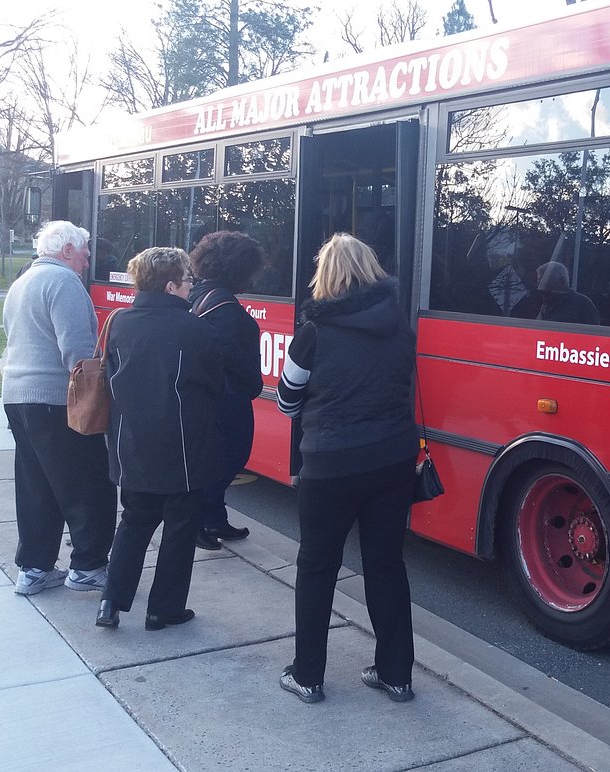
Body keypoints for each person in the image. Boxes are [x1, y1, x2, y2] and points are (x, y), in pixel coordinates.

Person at [276, 233, 419, 705]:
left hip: (331, 467)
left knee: (317, 567)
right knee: (386, 566)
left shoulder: (313, 332)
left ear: (327, 275)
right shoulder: (400, 325)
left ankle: (308, 676)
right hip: (394, 461)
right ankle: (396, 674)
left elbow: (286, 400)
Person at [95, 248, 224, 631]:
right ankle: (163, 609)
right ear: (170, 285)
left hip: (131, 445)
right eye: (187, 280)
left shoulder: (119, 322)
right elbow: (216, 385)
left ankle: (110, 603)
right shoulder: (196, 328)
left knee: (133, 522)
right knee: (180, 528)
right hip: (183, 449)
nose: (191, 287)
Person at [1, 220, 116, 596]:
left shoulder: (22, 283)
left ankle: (33, 569)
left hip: (18, 396)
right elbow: (78, 353)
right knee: (88, 483)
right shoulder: (64, 283)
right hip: (56, 400)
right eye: (84, 252)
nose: (86, 261)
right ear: (66, 250)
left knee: (36, 486)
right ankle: (88, 566)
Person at [187, 231, 267, 550]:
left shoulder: (197, 295)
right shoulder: (228, 312)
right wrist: (252, 387)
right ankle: (200, 522)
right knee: (227, 461)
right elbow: (241, 365)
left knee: (214, 463)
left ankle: (215, 518)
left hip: (204, 398)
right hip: (227, 402)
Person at [534, 261, 599, 325]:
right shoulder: (546, 303)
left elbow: (594, 332)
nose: (539, 284)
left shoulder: (582, 303)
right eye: (539, 279)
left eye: (543, 279)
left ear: (560, 281)